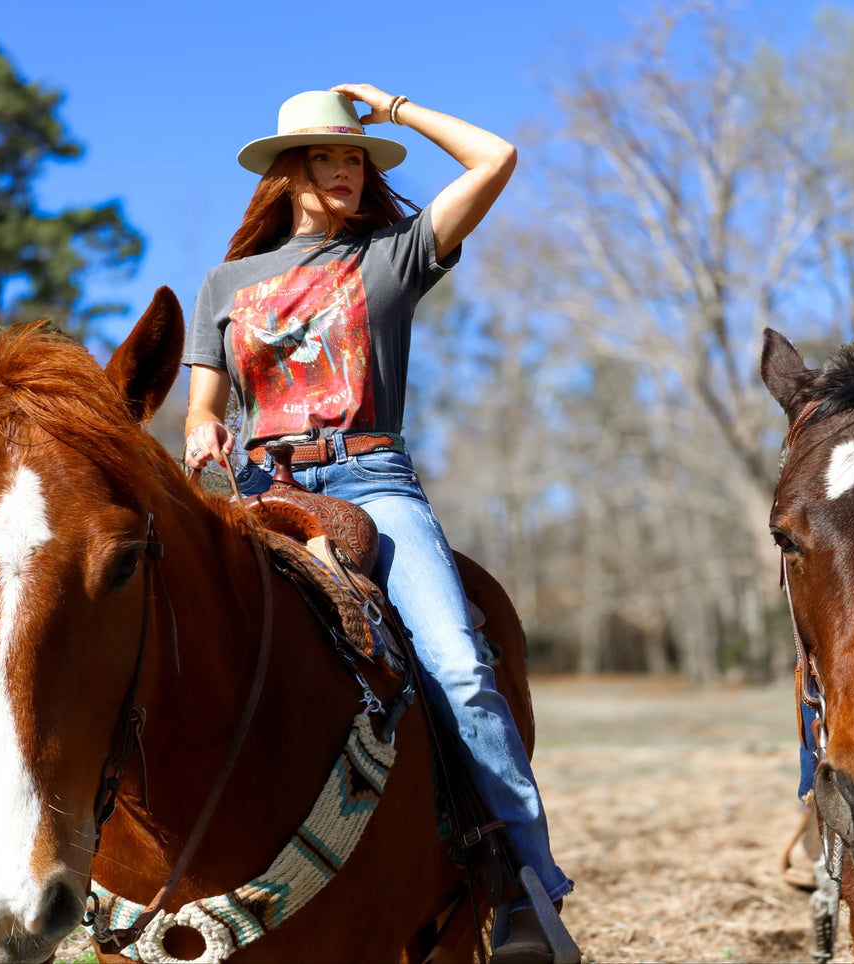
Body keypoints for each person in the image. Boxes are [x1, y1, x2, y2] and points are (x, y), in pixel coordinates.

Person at [182, 86, 572, 962]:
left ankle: (521, 883)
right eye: (326, 157)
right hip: (255, 484)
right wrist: (202, 425)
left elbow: (495, 158)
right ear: (287, 174)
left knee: (462, 668)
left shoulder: (393, 256)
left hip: (372, 479)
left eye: (353, 157)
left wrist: (394, 111)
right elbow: (201, 405)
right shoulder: (225, 283)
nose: (344, 172)